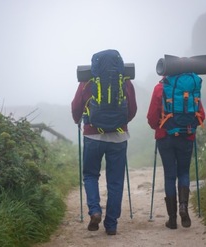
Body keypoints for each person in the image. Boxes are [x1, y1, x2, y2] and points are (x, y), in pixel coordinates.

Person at [71, 50, 137, 235]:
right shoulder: (124, 80)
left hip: (92, 136)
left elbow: (76, 107)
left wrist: (79, 120)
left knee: (91, 175)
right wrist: (121, 123)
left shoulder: (88, 80)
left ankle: (95, 211)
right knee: (115, 182)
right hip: (118, 137)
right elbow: (132, 109)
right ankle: (111, 225)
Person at [146, 76, 205, 229]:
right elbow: (201, 115)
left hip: (165, 137)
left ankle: (172, 219)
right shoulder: (192, 87)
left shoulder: (160, 88)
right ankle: (183, 207)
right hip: (187, 135)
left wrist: (157, 126)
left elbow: (152, 117)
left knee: (170, 175)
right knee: (184, 173)